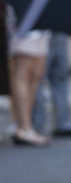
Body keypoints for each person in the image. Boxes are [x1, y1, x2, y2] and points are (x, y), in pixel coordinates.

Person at [6, 9, 50, 146]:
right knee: (22, 74)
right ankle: (24, 126)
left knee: (35, 75)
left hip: (41, 25)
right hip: (24, 21)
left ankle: (24, 125)